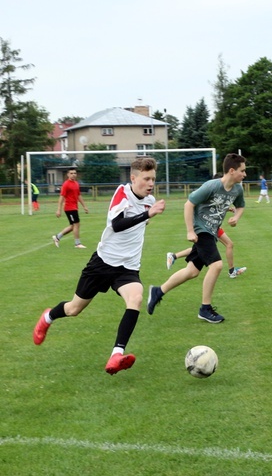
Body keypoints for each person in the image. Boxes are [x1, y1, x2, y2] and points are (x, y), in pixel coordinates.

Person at [33, 157, 165, 375]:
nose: (150, 183)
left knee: (136, 298)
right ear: (133, 178)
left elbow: (142, 222)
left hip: (128, 267)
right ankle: (47, 317)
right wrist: (146, 215)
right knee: (74, 309)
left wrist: (147, 215)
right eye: (146, 178)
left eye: (153, 179)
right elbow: (117, 225)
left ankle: (116, 355)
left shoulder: (149, 200)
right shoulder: (122, 193)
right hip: (102, 263)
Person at [148, 153, 247, 323]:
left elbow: (240, 206)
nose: (245, 174)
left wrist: (236, 218)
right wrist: (190, 231)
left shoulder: (238, 189)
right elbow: (189, 204)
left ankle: (158, 291)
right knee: (216, 265)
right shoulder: (211, 186)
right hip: (201, 230)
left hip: (212, 232)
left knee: (192, 271)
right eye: (242, 171)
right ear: (232, 170)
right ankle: (205, 308)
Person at [167, 225, 247, 279]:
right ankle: (232, 271)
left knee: (200, 249)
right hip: (209, 227)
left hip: (210, 226)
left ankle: (173, 256)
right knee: (229, 244)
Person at [53, 168, 89, 248]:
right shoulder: (66, 184)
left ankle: (57, 237)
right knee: (76, 224)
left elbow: (79, 195)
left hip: (75, 207)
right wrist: (59, 209)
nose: (73, 175)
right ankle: (77, 243)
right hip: (69, 208)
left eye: (75, 173)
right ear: (68, 174)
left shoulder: (76, 183)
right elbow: (61, 197)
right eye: (71, 173)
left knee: (73, 226)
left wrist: (84, 206)